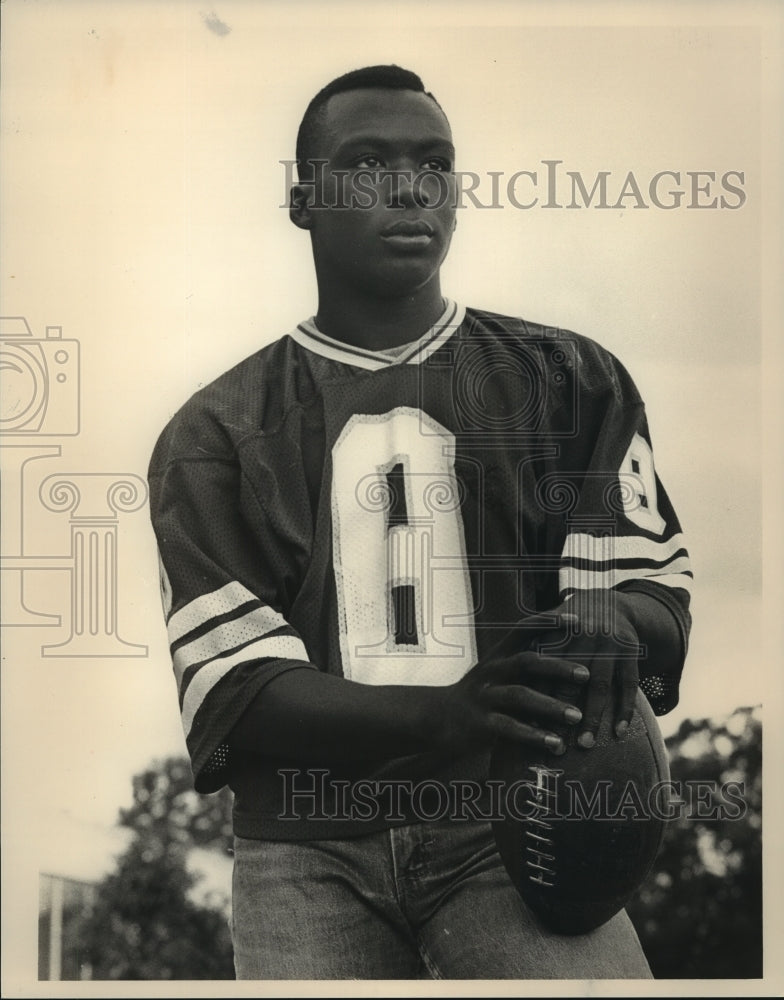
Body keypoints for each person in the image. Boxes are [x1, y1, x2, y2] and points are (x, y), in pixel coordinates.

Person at [148, 65, 692, 980]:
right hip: (305, 849)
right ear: (303, 200)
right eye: (366, 163)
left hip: (514, 825)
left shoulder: (570, 379)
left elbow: (655, 601)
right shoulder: (216, 432)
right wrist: (444, 715)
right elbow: (241, 689)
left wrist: (612, 618)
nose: (409, 185)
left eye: (434, 164)